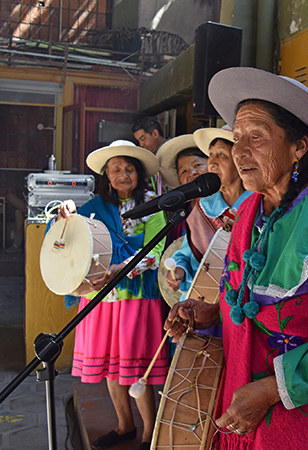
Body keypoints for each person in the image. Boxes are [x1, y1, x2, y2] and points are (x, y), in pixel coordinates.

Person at [165, 68, 308, 449]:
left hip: (305, 428)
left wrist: (268, 390)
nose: (239, 152)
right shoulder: (250, 212)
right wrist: (212, 313)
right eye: (236, 138)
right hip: (246, 413)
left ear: (299, 146)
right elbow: (249, 304)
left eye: (256, 137)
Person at [56, 140, 168, 450]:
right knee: (112, 366)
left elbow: (157, 250)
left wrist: (124, 267)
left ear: (138, 174)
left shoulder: (153, 204)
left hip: (136, 295)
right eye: (116, 168)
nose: (123, 174)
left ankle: (149, 433)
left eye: (129, 168)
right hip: (101, 297)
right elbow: (71, 235)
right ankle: (125, 426)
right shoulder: (92, 208)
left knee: (134, 366)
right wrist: (64, 214)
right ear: (107, 174)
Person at [165, 126, 252, 306]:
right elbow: (186, 253)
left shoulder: (256, 205)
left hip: (242, 303)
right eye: (210, 155)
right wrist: (180, 270)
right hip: (202, 300)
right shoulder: (204, 207)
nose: (212, 163)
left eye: (221, 155)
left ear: (239, 161)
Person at [133, 117, 166, 195]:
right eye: (139, 141)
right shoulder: (150, 156)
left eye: (143, 139)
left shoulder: (173, 150)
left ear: (155, 133)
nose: (141, 144)